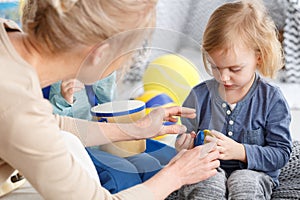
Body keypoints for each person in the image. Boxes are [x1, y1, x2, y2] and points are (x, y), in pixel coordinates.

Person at [0, 0, 220, 199]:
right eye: (129, 52)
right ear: (100, 54)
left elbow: (47, 126)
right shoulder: (16, 104)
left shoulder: (8, 37)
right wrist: (177, 175)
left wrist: (133, 129)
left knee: (69, 143)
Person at [175, 0, 293, 199]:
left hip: (255, 173)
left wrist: (240, 152)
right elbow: (187, 142)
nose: (223, 77)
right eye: (215, 67)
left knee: (244, 181)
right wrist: (183, 147)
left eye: (234, 69)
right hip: (208, 169)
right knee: (207, 184)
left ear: (259, 57)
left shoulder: (272, 100)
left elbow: (280, 154)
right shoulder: (198, 96)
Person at [47, 76, 168, 194]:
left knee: (148, 163)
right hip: (82, 143)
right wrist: (65, 99)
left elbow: (111, 107)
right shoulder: (65, 78)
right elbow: (56, 126)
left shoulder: (104, 71)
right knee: (123, 173)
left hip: (107, 138)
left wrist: (105, 81)